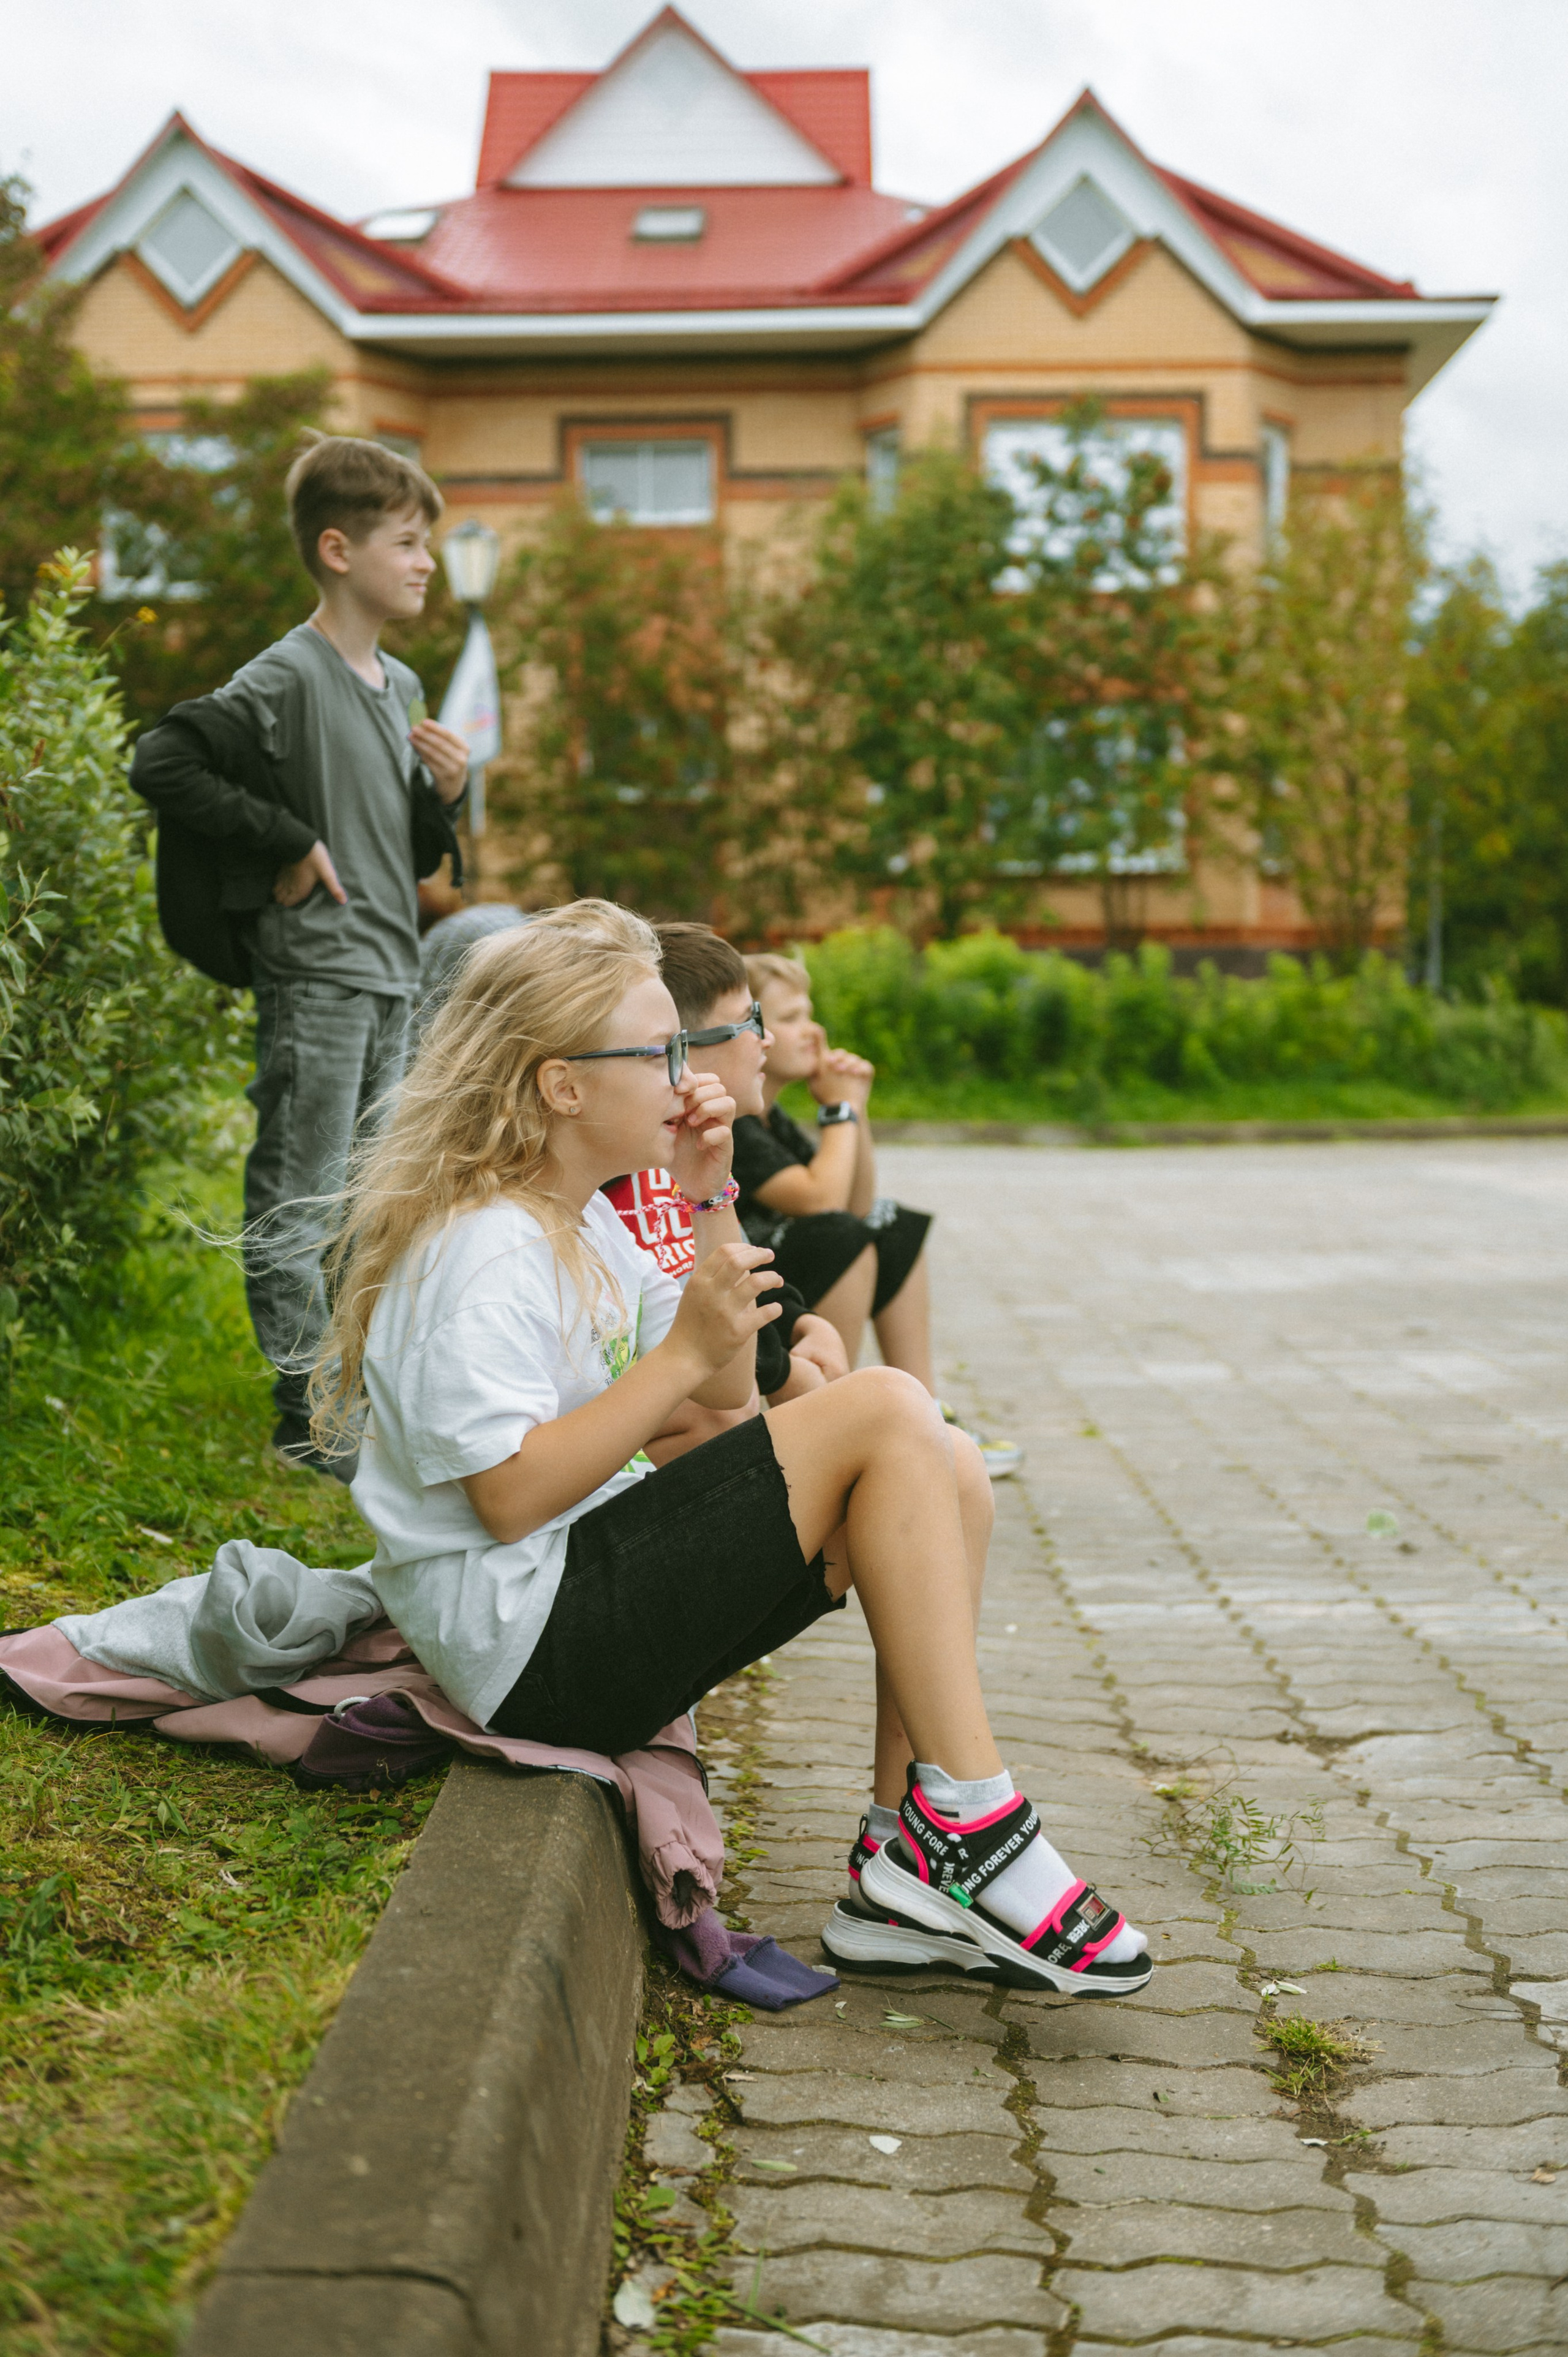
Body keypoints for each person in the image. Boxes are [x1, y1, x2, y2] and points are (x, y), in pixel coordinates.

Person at [309, 898, 1151, 1992]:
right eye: (658, 1052)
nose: (690, 1076)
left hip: (582, 1590)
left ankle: (905, 1853)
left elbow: (722, 1384)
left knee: (941, 1463)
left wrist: (709, 1197)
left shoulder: (588, 1215)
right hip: (528, 1651)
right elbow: (507, 1497)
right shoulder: (483, 1246)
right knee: (891, 1408)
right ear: (563, 1084)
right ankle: (976, 1825)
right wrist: (672, 1361)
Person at [132, 436, 472, 1480]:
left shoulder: (401, 682)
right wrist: (283, 841)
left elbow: (404, 849)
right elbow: (162, 759)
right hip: (317, 969)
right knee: (302, 1182)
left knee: (368, 1195)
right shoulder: (285, 674)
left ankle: (348, 1399)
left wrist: (447, 798)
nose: (426, 564)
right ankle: (302, 1418)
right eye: (408, 543)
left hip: (387, 968)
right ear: (337, 548)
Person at [734, 952, 1022, 1479]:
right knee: (842, 1236)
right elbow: (821, 1201)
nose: (814, 1032)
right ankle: (838, 1418)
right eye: (793, 1017)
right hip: (760, 1292)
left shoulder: (771, 1117)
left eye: (810, 1014)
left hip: (791, 1270)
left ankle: (925, 1406)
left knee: (889, 1221)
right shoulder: (736, 1122)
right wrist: (839, 1113)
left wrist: (853, 1108)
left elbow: (861, 1202)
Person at [603, 922, 848, 1428]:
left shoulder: (698, 1148)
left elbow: (738, 1267)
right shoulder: (620, 1168)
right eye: (750, 1021)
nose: (769, 1038)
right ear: (682, 1049)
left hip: (720, 1378)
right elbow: (657, 1320)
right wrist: (781, 1372)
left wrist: (803, 1320)